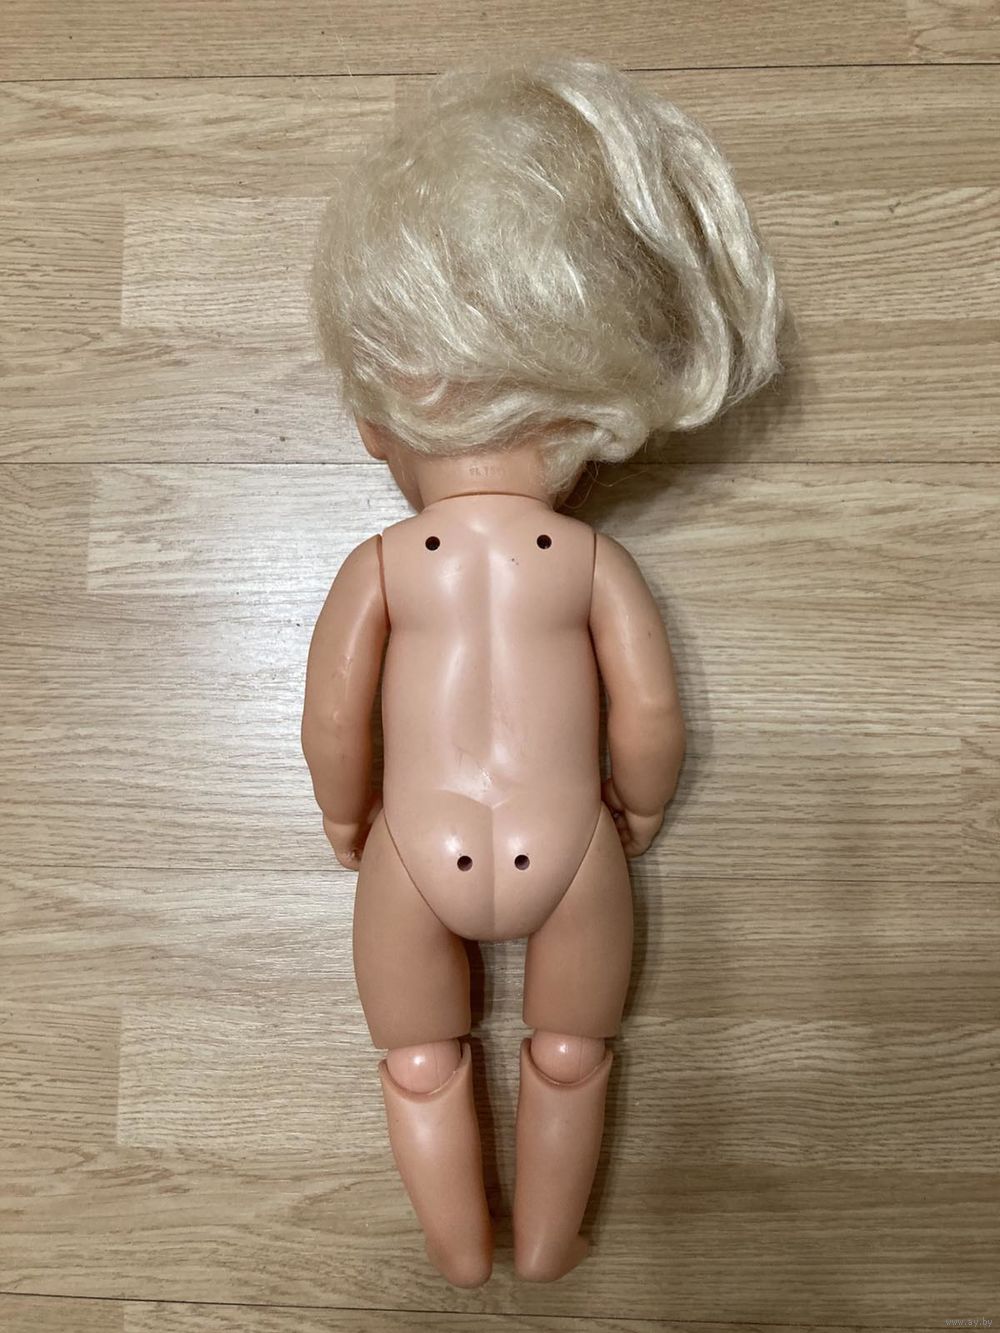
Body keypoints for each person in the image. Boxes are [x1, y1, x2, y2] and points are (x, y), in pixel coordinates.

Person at [303, 55, 783, 1286]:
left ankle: (460, 1251)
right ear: (587, 425)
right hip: (571, 848)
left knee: (419, 1060)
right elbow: (650, 714)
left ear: (372, 424)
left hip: (415, 849)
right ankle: (551, 1242)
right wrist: (644, 804)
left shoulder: (382, 565)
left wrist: (346, 814)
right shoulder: (587, 562)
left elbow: (332, 721)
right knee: (573, 1053)